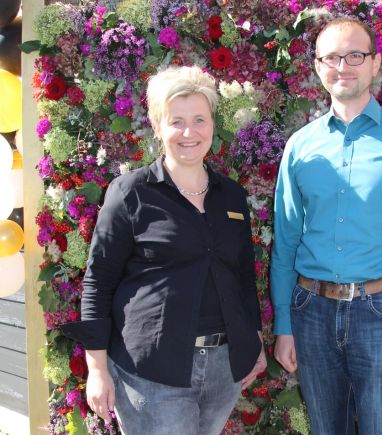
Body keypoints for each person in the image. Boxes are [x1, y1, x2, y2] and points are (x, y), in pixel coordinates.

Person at [62, 65, 266, 435]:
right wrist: (96, 369)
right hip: (153, 375)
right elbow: (98, 282)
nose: (189, 132)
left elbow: (243, 276)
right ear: (158, 127)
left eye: (199, 119)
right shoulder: (130, 193)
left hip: (224, 369)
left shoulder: (231, 195)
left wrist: (252, 340)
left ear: (213, 124)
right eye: (176, 121)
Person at [270, 17, 382, 435]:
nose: (343, 66)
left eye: (355, 55)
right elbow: (287, 244)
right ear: (317, 67)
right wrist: (283, 325)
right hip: (311, 313)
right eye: (331, 57)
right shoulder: (300, 147)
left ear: (375, 63)